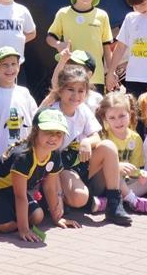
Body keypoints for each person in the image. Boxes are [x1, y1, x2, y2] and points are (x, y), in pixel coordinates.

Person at [38, 66, 131, 225]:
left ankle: (114, 206)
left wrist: (87, 141)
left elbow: (96, 136)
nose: (76, 95)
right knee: (79, 197)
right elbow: (48, 154)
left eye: (81, 91)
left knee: (108, 146)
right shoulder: (53, 112)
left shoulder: (83, 110)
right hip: (58, 166)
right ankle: (60, 201)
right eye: (71, 89)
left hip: (81, 161)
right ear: (60, 90)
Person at [0, 109, 78, 241]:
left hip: (10, 190)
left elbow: (50, 187)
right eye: (48, 132)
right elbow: (20, 196)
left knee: (38, 216)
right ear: (36, 131)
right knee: (5, 226)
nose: (53, 137)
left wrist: (57, 218)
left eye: (59, 133)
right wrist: (24, 230)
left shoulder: (54, 154)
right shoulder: (23, 156)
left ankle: (7, 216)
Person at [45, 0, 113, 92]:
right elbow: (50, 37)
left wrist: (110, 72)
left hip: (95, 77)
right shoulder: (63, 13)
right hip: (70, 76)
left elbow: (106, 47)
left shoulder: (102, 15)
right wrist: (58, 44)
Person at [96, 92, 147, 215]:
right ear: (105, 119)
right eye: (112, 118)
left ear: (130, 114)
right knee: (115, 174)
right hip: (106, 181)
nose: (118, 121)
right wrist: (117, 167)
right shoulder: (103, 136)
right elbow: (97, 167)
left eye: (122, 116)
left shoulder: (135, 138)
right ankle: (134, 201)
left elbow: (135, 168)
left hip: (126, 182)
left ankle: (108, 202)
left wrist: (139, 174)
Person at [0, 47, 37, 162]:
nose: (10, 68)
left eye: (13, 64)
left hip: (24, 155)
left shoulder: (24, 92)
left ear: (19, 67)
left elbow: (35, 119)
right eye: (5, 65)